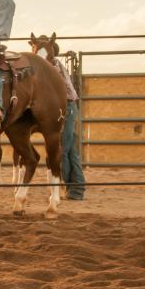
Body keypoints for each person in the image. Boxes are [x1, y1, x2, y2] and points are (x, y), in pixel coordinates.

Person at [31, 37, 85, 200]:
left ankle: (70, 187)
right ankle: (76, 189)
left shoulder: (53, 67)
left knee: (63, 148)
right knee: (70, 150)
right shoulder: (53, 65)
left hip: (66, 107)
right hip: (66, 107)